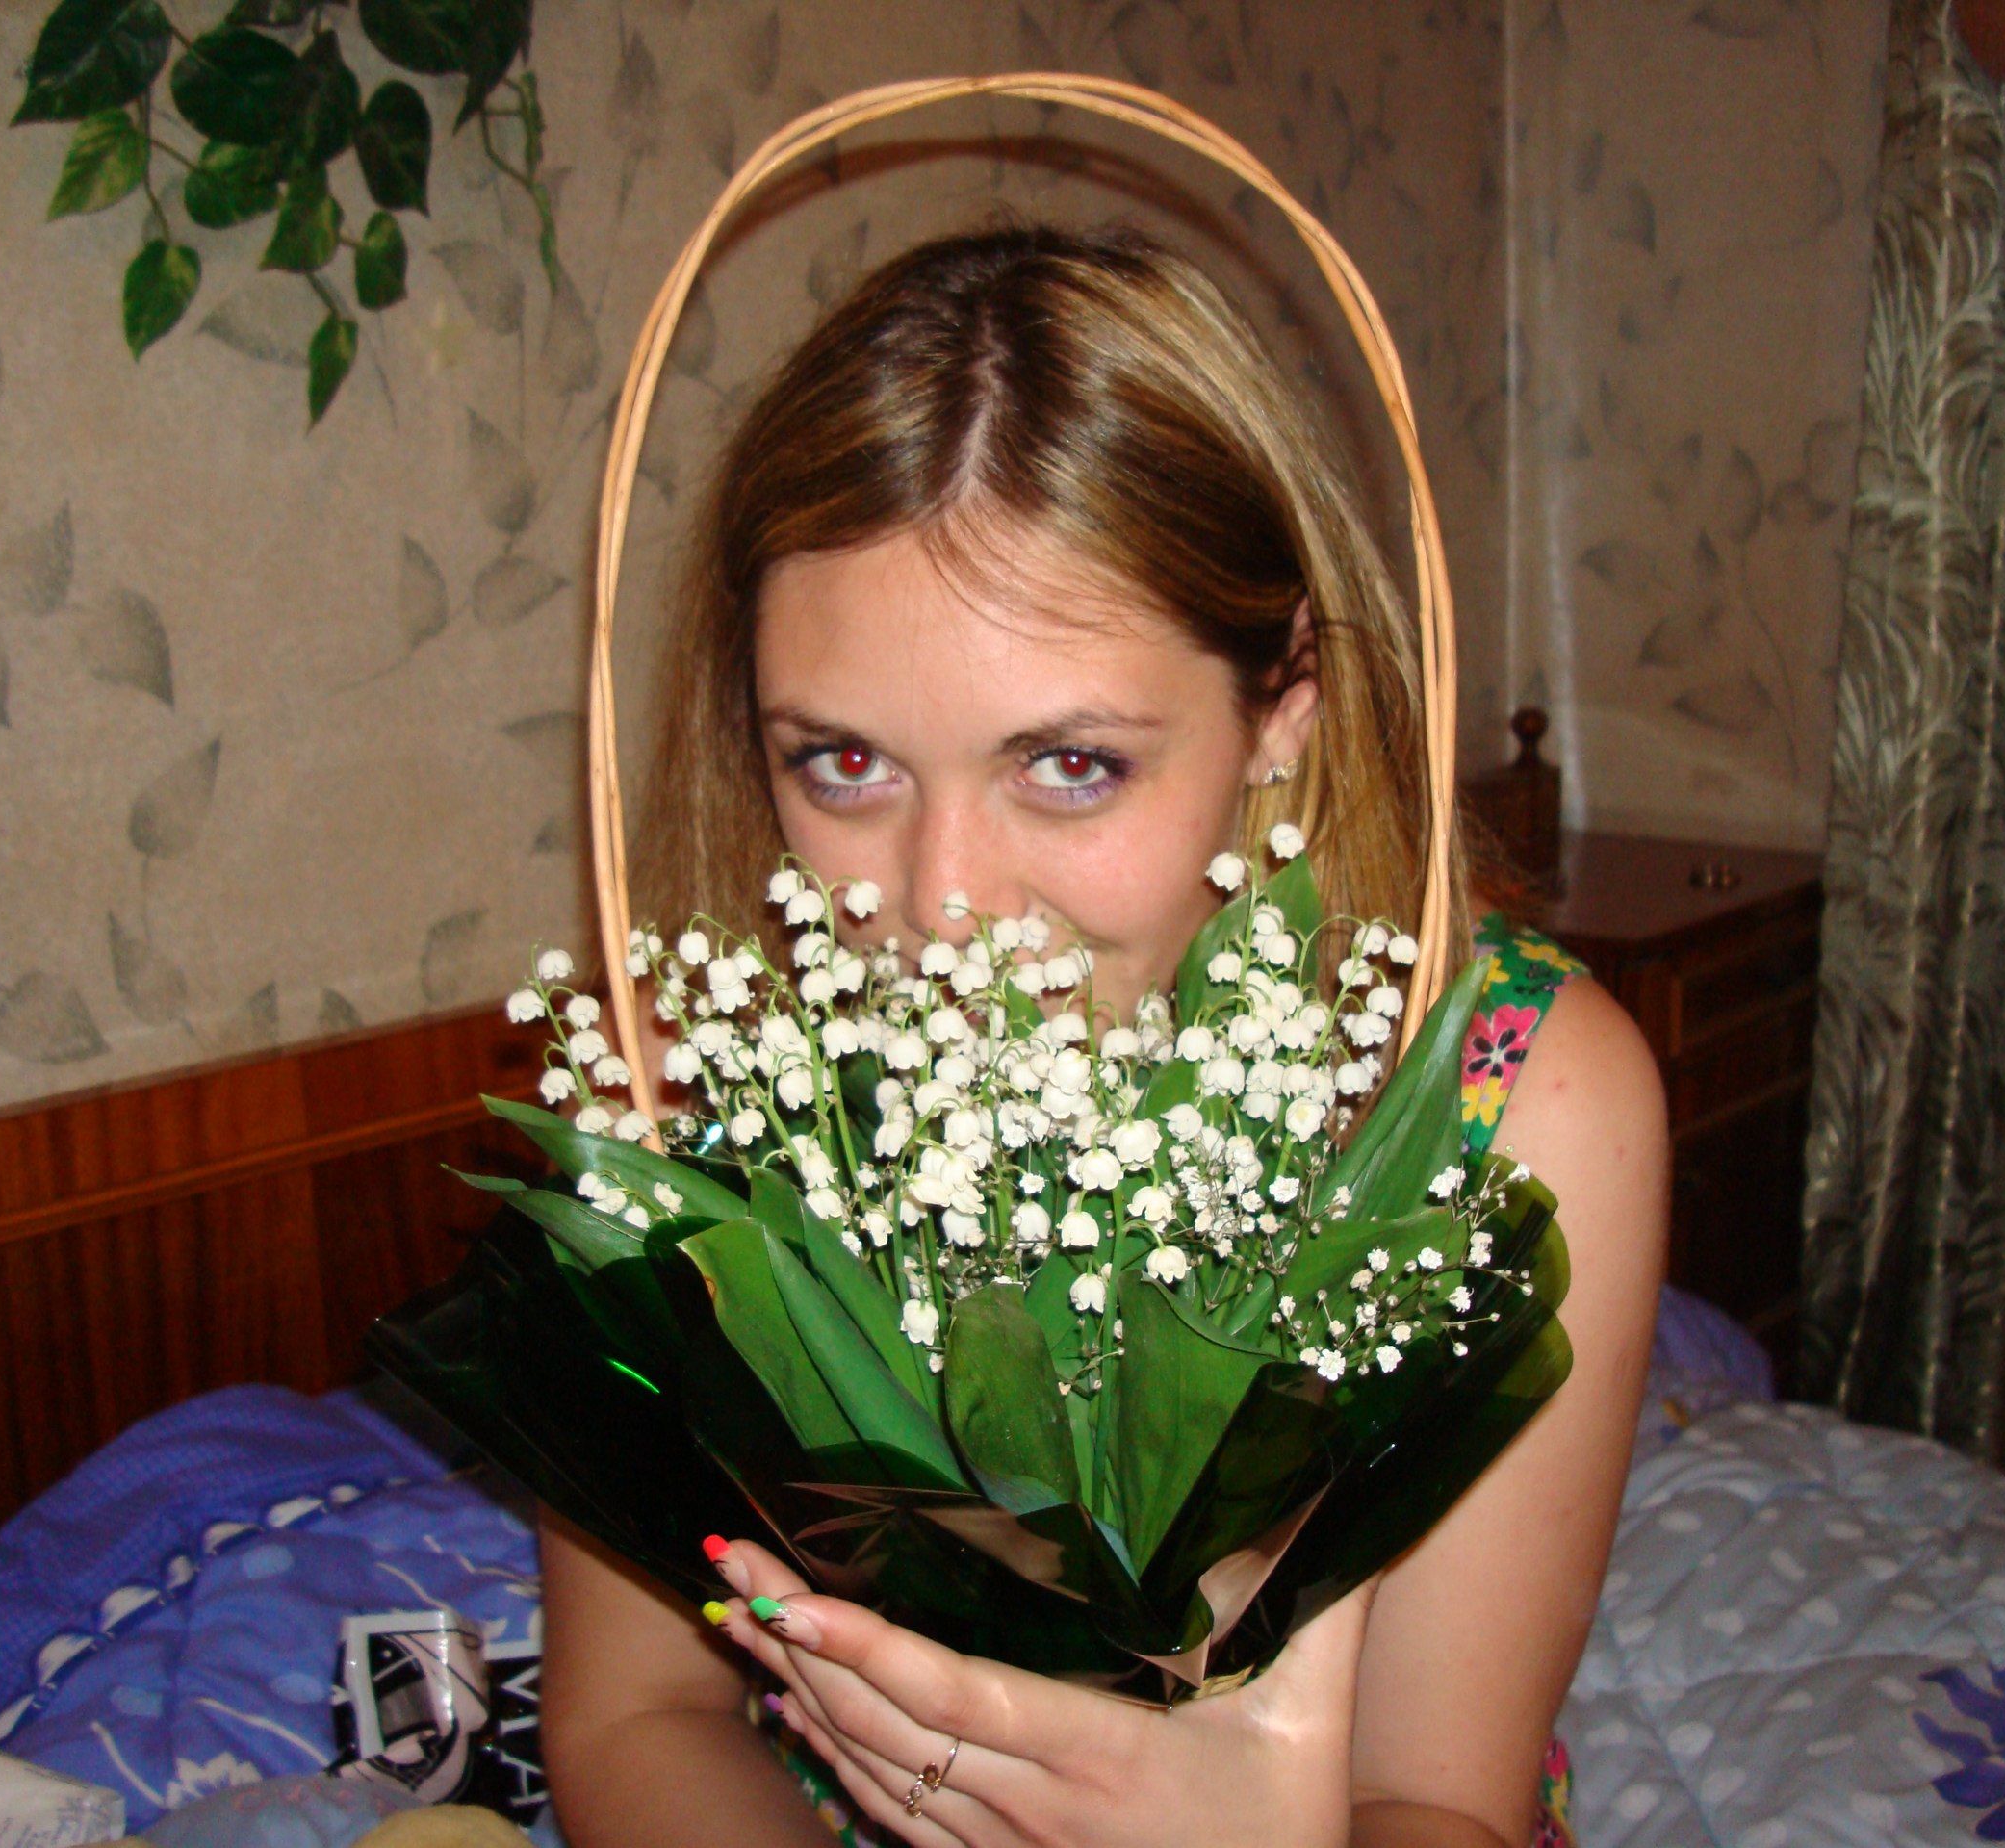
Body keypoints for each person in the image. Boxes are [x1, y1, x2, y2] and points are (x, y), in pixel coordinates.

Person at [537, 223, 1668, 1848]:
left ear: (1283, 707)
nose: (941, 910)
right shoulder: (690, 1092)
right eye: (843, 763)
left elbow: (1436, 1797)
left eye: (1069, 765)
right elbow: (637, 1714)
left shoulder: (1520, 1100)